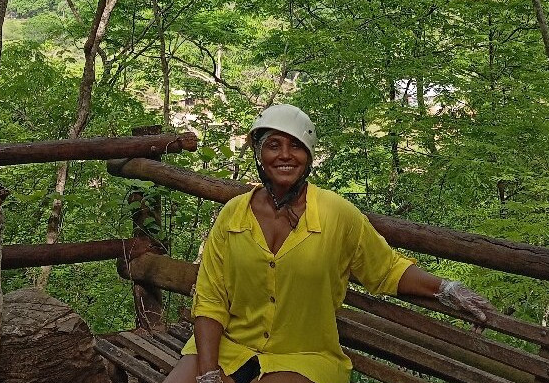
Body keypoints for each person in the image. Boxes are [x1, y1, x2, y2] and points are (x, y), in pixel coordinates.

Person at [162, 103, 495, 383]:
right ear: (259, 154)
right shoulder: (234, 215)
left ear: (307, 157)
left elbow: (386, 269)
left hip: (302, 356)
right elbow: (210, 299)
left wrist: (447, 289)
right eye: (273, 145)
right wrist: (208, 373)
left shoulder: (336, 214)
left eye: (295, 147)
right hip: (228, 346)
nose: (285, 155)